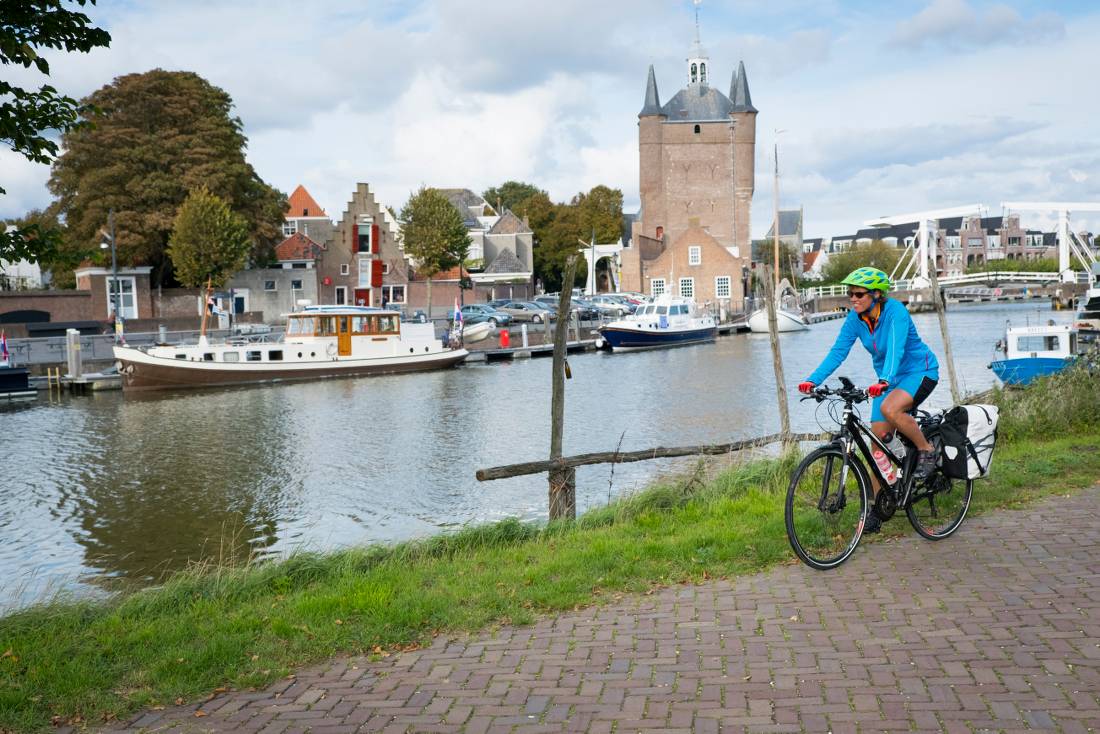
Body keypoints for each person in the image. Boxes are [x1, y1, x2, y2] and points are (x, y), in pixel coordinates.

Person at [798, 267, 940, 533]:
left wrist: (884, 380)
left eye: (859, 294)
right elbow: (838, 352)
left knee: (890, 408)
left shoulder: (895, 312)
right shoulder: (856, 318)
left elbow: (896, 349)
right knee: (878, 444)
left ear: (876, 294)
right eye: (849, 293)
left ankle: (926, 450)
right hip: (887, 380)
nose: (853, 298)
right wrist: (812, 380)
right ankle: (878, 508)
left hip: (918, 372)